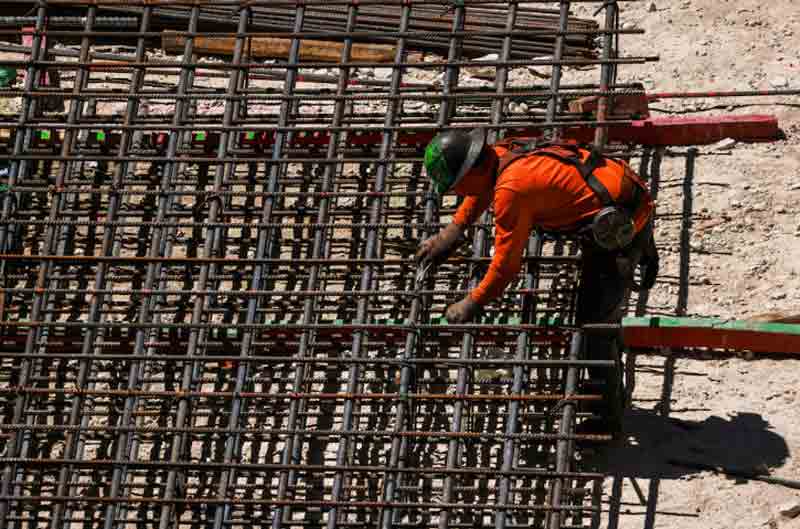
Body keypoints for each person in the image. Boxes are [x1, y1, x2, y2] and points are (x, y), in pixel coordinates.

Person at [417, 128, 659, 434]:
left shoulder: (512, 190)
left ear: (471, 169)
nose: (457, 193)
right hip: (619, 189)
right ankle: (642, 240)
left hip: (619, 222)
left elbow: (505, 267)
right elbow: (479, 188)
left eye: (457, 186)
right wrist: (453, 230)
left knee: (594, 327)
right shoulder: (500, 154)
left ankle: (607, 419)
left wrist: (472, 302)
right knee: (595, 315)